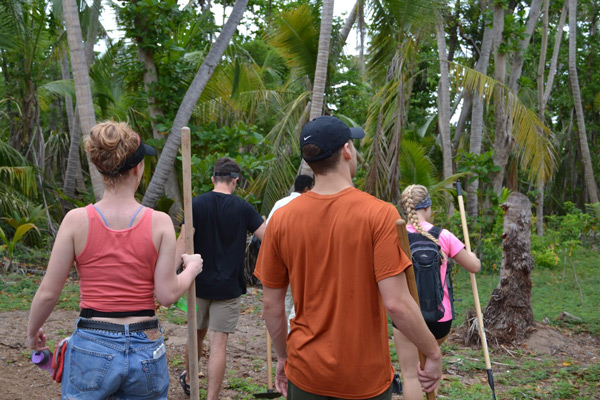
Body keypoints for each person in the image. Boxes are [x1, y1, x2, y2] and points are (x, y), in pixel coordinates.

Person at [254, 115, 442, 399]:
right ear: (346, 151)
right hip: (364, 378)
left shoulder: (281, 219)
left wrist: (283, 356)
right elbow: (397, 304)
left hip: (305, 372)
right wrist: (432, 351)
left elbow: (271, 305)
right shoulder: (379, 214)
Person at [27, 120, 203, 400]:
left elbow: (49, 292)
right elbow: (167, 294)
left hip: (92, 342)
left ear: (100, 169)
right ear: (138, 168)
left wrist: (33, 330)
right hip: (146, 343)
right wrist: (191, 268)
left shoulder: (76, 221)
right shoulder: (159, 223)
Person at [176, 157, 266, 399]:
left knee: (195, 334)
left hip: (197, 282)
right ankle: (211, 397)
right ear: (235, 181)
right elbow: (268, 236)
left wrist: (173, 275)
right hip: (228, 286)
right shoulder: (244, 208)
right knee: (219, 345)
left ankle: (188, 376)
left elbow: (184, 241)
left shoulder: (196, 204)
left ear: (213, 179)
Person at [394, 184, 481, 400]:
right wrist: (472, 255)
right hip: (440, 318)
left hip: (407, 317)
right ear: (428, 207)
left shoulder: (396, 236)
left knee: (411, 375)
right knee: (431, 369)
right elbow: (474, 267)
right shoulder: (443, 235)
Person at [265, 174, 314, 331]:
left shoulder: (280, 203)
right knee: (299, 298)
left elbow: (267, 231)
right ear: (307, 188)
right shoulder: (308, 204)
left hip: (279, 256)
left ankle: (283, 338)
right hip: (299, 257)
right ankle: (291, 335)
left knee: (285, 299)